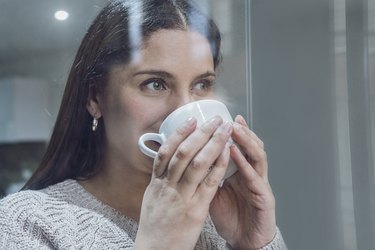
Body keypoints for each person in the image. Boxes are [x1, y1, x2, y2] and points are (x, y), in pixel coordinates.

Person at [0, 0, 287, 249]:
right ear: (94, 98)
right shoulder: (26, 224)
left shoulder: (220, 218)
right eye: (155, 84)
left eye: (202, 84)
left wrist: (255, 243)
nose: (187, 112)